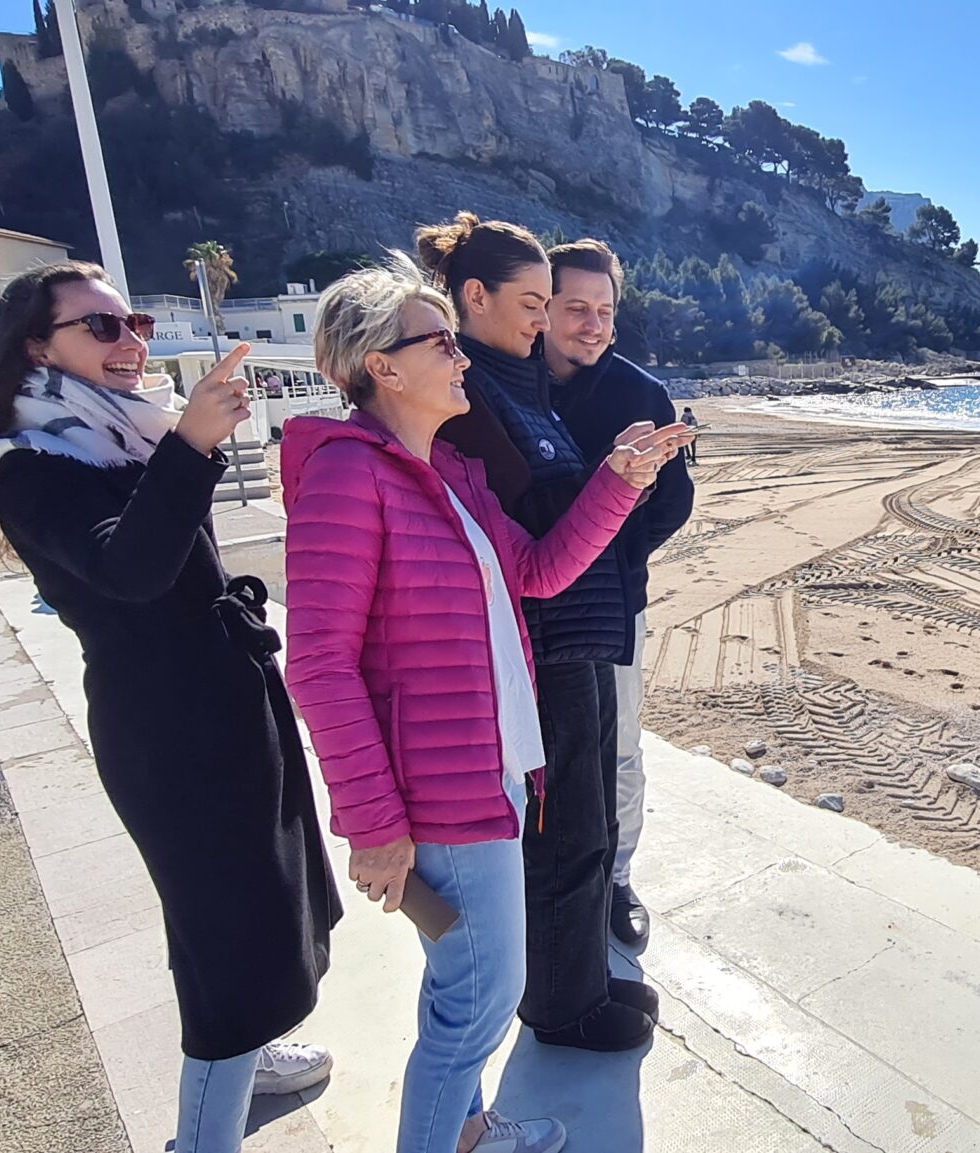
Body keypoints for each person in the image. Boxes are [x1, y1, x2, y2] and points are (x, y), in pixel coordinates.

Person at [280, 255, 690, 1153]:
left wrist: (617, 480)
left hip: (494, 771)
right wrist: (372, 820)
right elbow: (317, 663)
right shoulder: (351, 477)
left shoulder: (451, 476)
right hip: (439, 793)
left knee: (464, 987)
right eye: (441, 344)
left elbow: (540, 572)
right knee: (478, 1004)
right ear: (380, 365)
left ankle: (465, 1128)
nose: (463, 359)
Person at [0, 261, 336, 1153]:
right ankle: (202, 1138)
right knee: (223, 936)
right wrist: (190, 448)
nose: (130, 343)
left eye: (135, 325)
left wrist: (180, 445)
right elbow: (129, 569)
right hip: (168, 732)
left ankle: (255, 1045)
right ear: (37, 348)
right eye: (102, 327)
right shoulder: (34, 462)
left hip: (224, 703)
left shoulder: (118, 433)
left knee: (245, 911)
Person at [416, 212, 661, 1051]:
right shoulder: (472, 393)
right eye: (534, 302)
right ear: (473, 297)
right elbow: (516, 529)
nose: (543, 318)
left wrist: (620, 477)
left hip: (583, 633)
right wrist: (616, 478)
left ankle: (578, 979)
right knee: (562, 834)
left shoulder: (521, 384)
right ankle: (561, 1005)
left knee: (589, 824)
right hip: (542, 641)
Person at [538, 239, 693, 949]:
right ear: (541, 308)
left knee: (619, 752)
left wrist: (610, 564)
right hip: (520, 606)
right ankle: (541, 879)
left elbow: (672, 505)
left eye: (604, 310)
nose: (593, 324)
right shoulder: (503, 379)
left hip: (613, 610)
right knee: (535, 752)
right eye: (576, 307)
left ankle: (616, 880)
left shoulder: (641, 394)